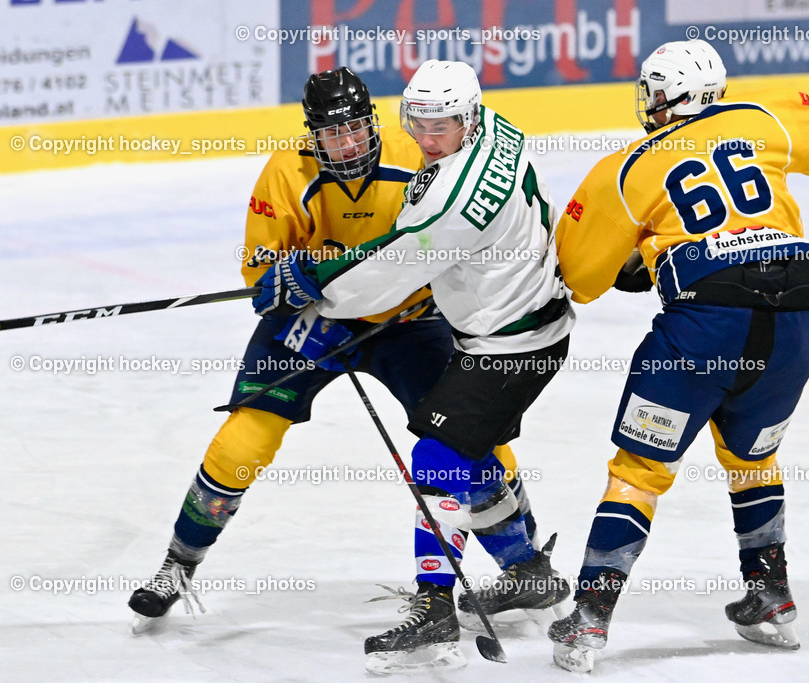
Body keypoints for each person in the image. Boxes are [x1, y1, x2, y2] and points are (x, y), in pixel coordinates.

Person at [127, 67, 546, 635]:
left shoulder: (419, 156)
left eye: (354, 129)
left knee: (469, 436)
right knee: (243, 438)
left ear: (374, 123)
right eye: (331, 133)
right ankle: (178, 565)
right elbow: (261, 276)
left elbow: (449, 243)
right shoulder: (287, 172)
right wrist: (281, 280)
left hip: (408, 319)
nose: (346, 143)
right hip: (317, 321)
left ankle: (523, 564)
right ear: (311, 133)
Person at [251, 59, 576, 674]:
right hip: (523, 324)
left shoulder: (452, 198)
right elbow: (402, 245)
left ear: (468, 117)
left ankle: (434, 608)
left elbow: (388, 276)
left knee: (435, 454)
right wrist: (333, 267)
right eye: (419, 124)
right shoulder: (496, 131)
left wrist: (311, 282)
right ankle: (529, 573)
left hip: (511, 344)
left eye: (442, 126)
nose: (427, 140)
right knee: (464, 454)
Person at [546, 39, 809, 672]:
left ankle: (589, 623)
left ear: (661, 97)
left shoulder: (628, 166)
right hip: (795, 319)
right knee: (753, 453)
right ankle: (771, 597)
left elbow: (577, 274)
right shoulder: (761, 121)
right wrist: (766, 112)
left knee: (639, 470)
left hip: (704, 327)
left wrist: (640, 253)